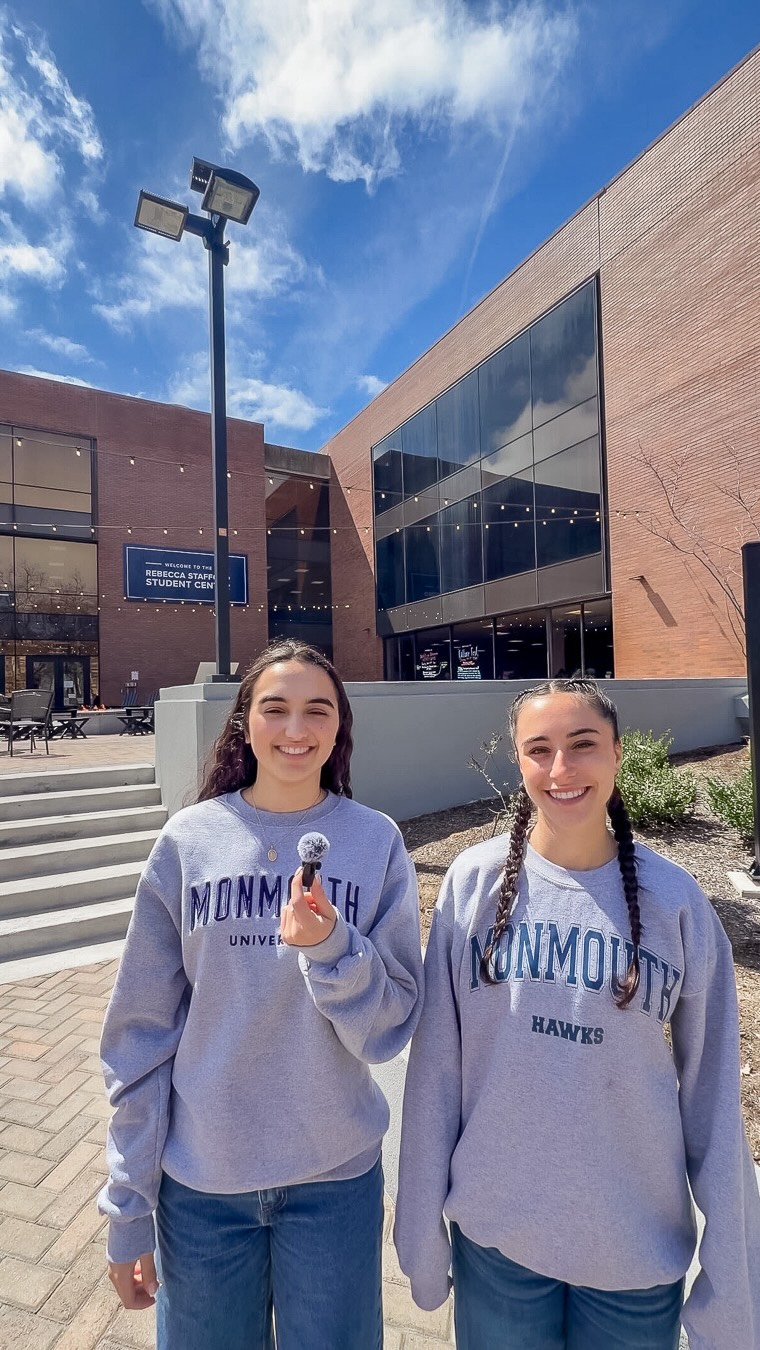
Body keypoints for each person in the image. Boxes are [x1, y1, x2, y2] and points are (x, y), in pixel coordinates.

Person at [394, 678, 760, 1350]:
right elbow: (435, 1077)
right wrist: (417, 1229)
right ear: (518, 759)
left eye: (582, 745)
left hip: (634, 1257)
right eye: (539, 750)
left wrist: (734, 1284)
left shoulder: (677, 906)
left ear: (618, 754)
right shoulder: (471, 889)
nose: (560, 770)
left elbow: (711, 1101)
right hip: (498, 1245)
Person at [99, 639, 423, 1350]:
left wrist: (332, 950)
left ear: (340, 727)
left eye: (318, 711)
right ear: (245, 723)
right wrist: (128, 1206)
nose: (296, 730)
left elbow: (389, 1029)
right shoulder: (190, 842)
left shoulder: (374, 843)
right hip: (202, 1188)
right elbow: (139, 1036)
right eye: (275, 709)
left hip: (334, 1181)